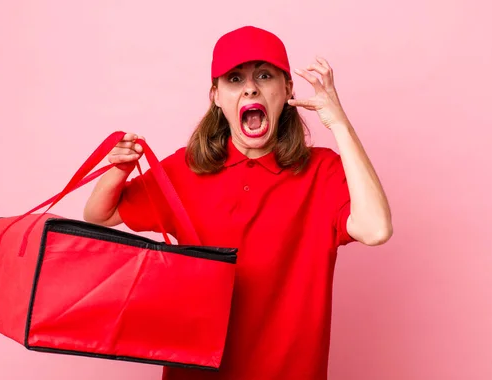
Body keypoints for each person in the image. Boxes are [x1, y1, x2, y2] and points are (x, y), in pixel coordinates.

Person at [83, 25, 392, 380]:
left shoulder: (322, 171)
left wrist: (339, 122)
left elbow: (376, 228)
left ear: (287, 89)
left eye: (264, 75)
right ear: (215, 96)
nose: (250, 88)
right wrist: (119, 169)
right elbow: (99, 215)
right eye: (234, 79)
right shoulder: (186, 169)